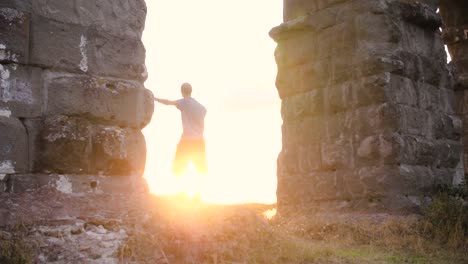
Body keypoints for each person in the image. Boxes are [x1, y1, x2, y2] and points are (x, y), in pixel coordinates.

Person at [154, 82, 207, 177]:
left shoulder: (184, 102)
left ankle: (180, 189)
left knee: (178, 167)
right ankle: (200, 190)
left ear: (182, 91)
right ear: (191, 91)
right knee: (201, 168)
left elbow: (168, 102)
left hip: (187, 140)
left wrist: (155, 98)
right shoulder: (202, 108)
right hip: (199, 141)